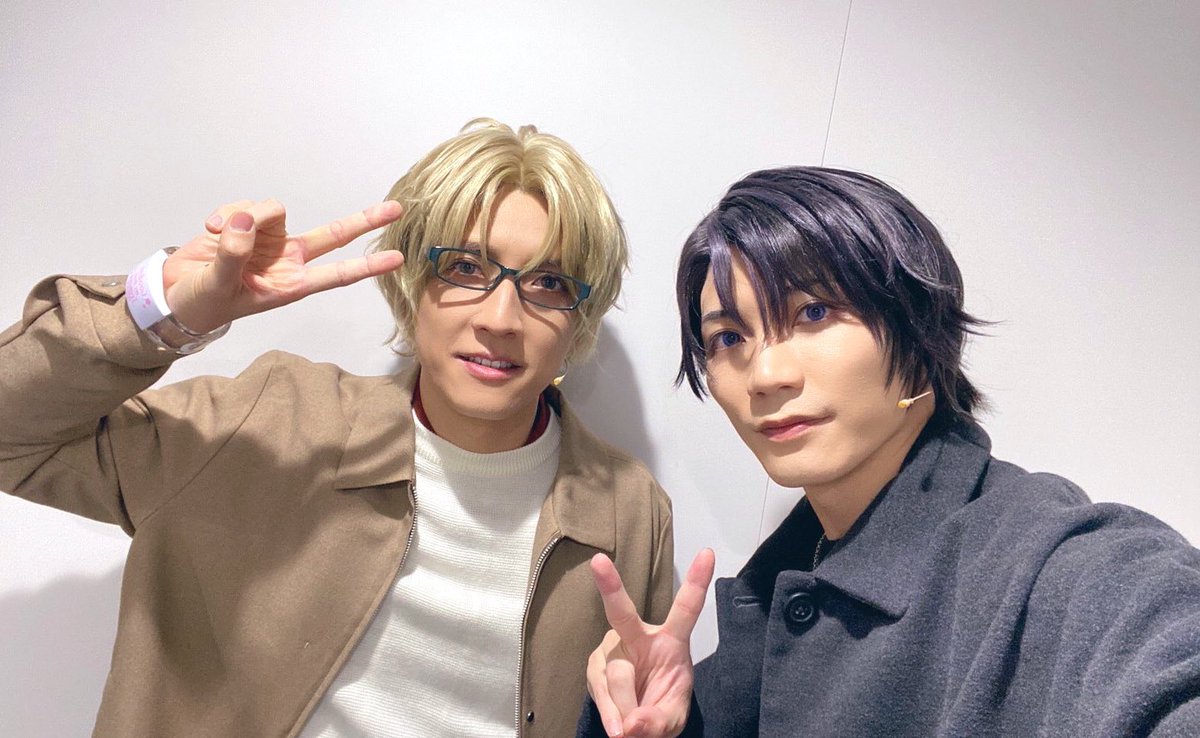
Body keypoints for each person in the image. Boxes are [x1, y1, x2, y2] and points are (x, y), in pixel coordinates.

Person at [0, 119, 674, 738]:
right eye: (465, 267)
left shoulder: (627, 510)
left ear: (579, 320)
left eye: (550, 283)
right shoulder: (271, 422)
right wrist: (164, 310)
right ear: (411, 283)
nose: (500, 318)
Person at [578, 167, 1200, 737]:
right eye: (728, 338)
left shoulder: (1054, 563)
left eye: (814, 312)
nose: (765, 375)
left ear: (918, 324)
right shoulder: (785, 582)